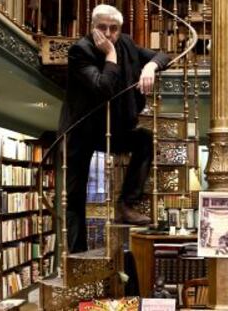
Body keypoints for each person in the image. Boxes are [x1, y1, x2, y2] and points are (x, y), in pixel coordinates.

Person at [58, 4, 170, 253]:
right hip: (82, 130)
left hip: (115, 127)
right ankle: (78, 254)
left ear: (120, 29)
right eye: (102, 27)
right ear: (92, 27)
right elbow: (103, 88)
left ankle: (126, 205)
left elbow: (163, 56)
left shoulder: (127, 43)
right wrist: (109, 55)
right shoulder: (80, 51)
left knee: (144, 139)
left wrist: (151, 66)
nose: (108, 34)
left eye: (114, 28)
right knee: (75, 196)